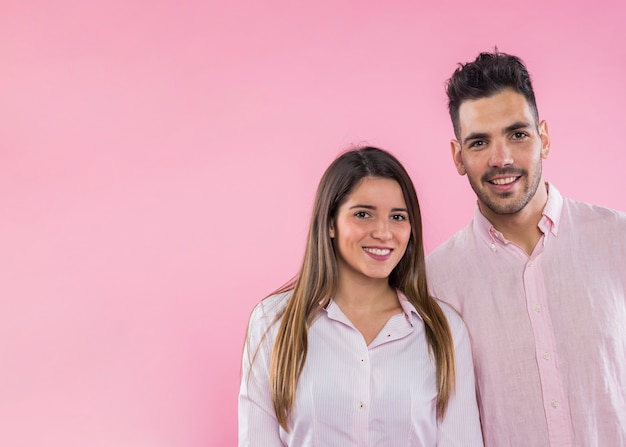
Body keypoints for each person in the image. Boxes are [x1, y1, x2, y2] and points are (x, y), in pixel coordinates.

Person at [426, 49, 626, 447]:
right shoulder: (434, 282)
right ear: (458, 156)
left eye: (518, 134)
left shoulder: (618, 241)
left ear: (544, 139)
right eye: (480, 142)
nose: (502, 159)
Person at [239, 147, 483, 446]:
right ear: (330, 223)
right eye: (363, 214)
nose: (383, 232)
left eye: (397, 216)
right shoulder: (272, 322)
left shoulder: (443, 330)